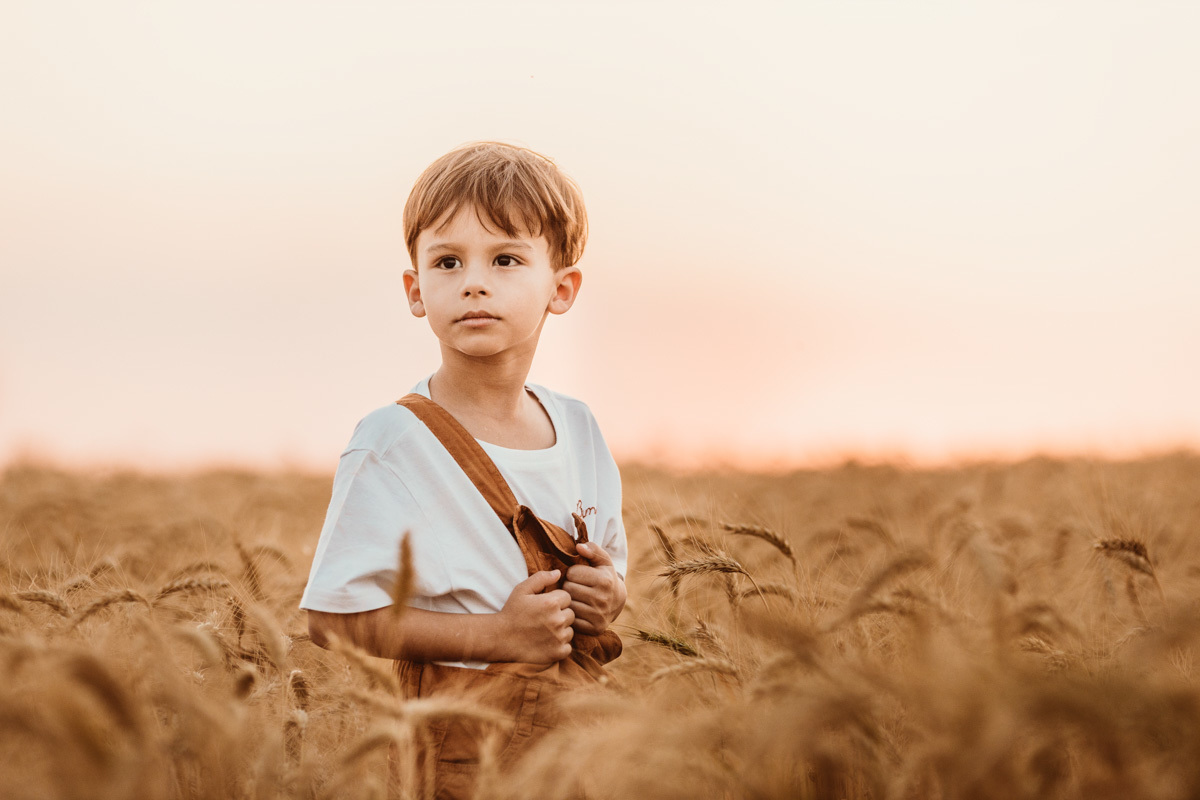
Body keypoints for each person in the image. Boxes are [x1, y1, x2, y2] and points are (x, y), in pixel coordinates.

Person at [299, 141, 628, 798]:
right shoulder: (394, 440)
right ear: (416, 291)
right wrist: (497, 636)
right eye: (448, 262)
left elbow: (612, 572)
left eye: (505, 259)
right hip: (460, 742)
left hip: (577, 737)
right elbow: (331, 620)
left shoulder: (580, 429)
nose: (474, 282)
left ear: (561, 289)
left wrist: (608, 595)